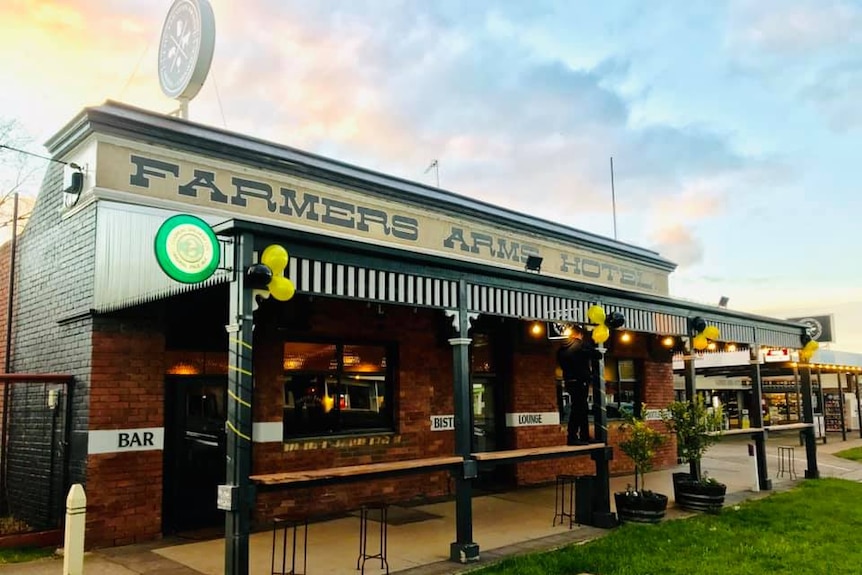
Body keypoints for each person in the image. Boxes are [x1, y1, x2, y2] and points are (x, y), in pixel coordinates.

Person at [556, 329, 601, 444]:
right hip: (581, 381)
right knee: (579, 408)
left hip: (569, 381)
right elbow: (597, 355)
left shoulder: (561, 349)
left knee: (581, 407)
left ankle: (584, 435)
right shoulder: (581, 345)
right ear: (579, 334)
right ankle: (573, 436)